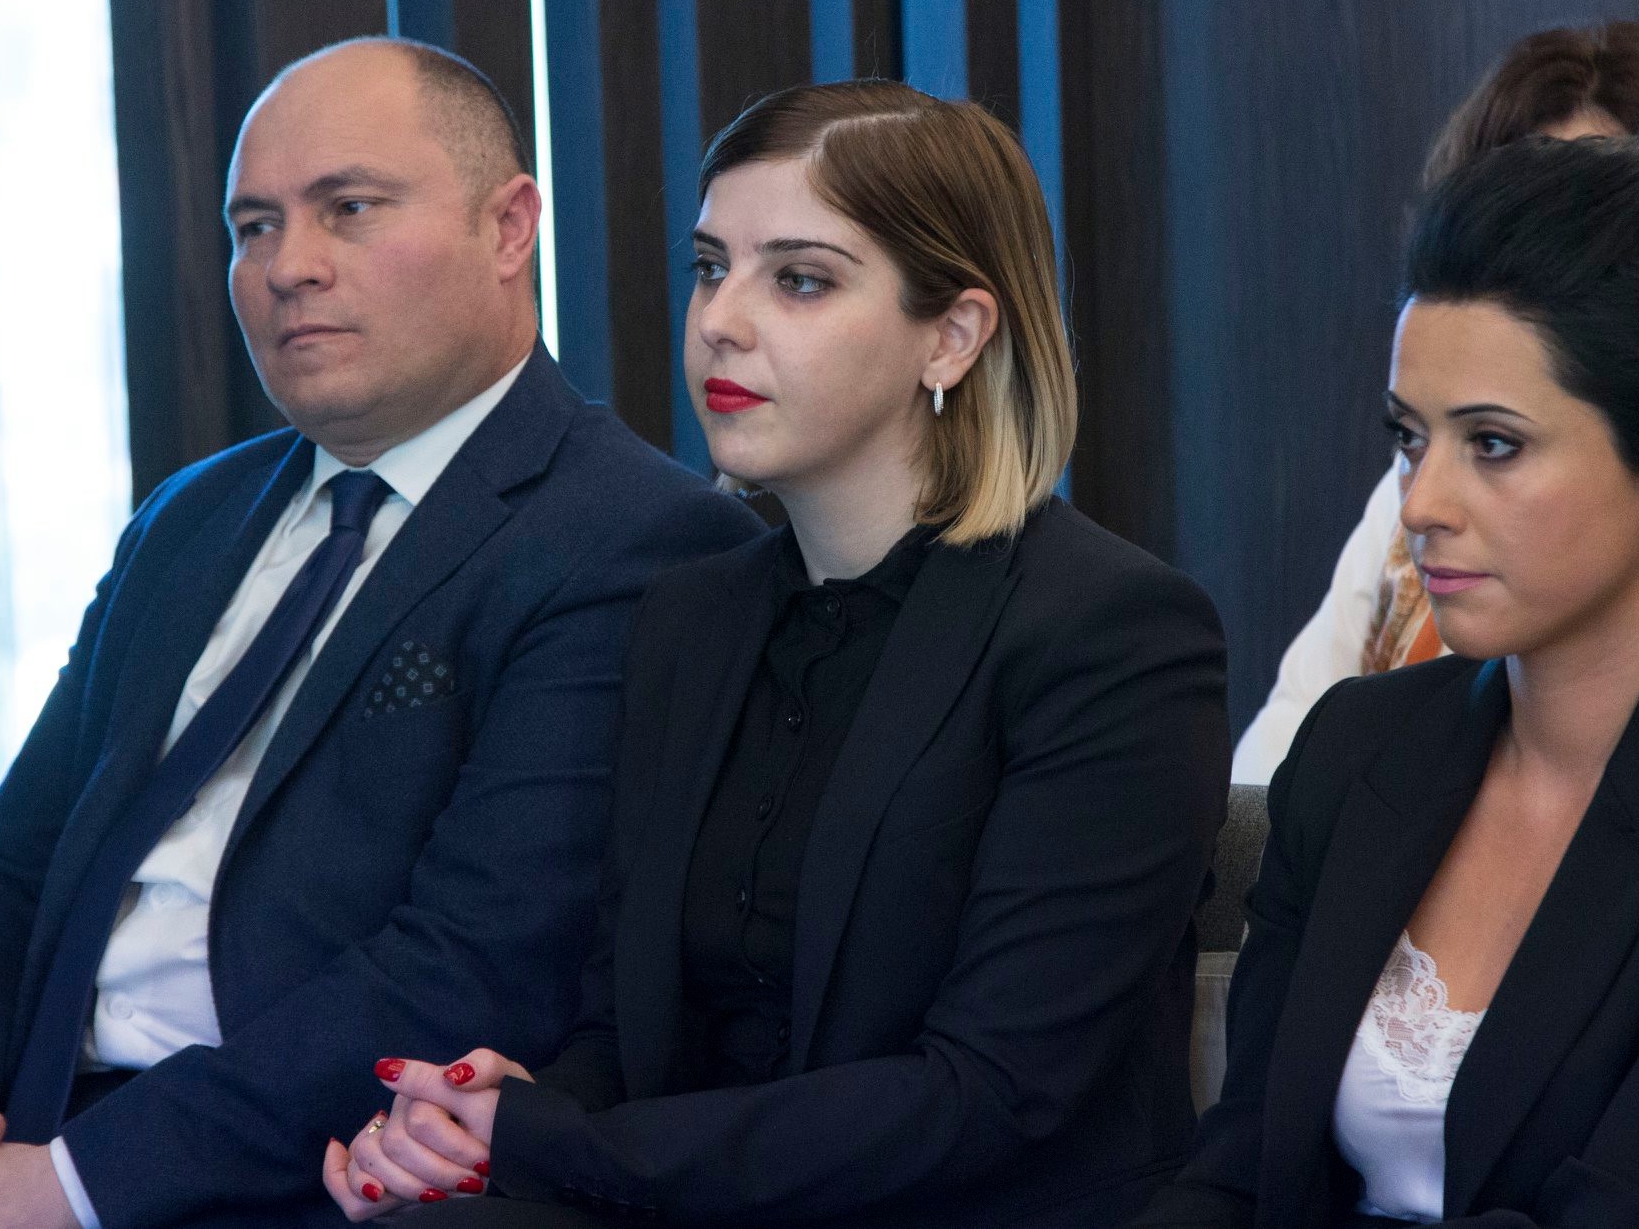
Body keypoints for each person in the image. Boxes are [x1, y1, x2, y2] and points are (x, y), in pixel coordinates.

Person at [0, 38, 761, 1228]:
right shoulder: (189, 517)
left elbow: (471, 962)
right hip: (16, 1132)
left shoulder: (634, 536)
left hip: (294, 1180)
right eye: (255, 227)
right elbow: (9, 861)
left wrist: (72, 1186)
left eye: (349, 207)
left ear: (508, 228)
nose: (290, 266)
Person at [322, 78, 1231, 1227]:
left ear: (950, 335)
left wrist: (556, 1140)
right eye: (711, 267)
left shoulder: (1116, 633)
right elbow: (624, 1034)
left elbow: (989, 1095)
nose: (720, 320)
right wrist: (479, 1119)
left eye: (798, 278)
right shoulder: (689, 615)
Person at [1133, 136, 1639, 1228]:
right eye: (1408, 438)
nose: (1420, 503)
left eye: (1492, 444)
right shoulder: (1353, 747)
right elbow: (1240, 1168)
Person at [1232, 20, 1639, 786]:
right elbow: (1269, 775)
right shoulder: (1425, 476)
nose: (1425, 503)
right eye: (1510, 210)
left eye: (1590, 218)